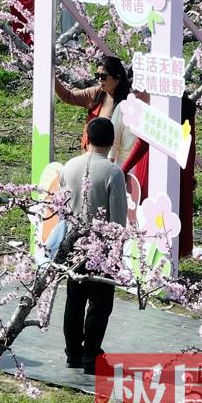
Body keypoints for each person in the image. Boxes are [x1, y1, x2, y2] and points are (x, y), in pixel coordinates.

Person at [60, 117, 127, 375]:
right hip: (102, 248)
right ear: (112, 142)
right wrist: (117, 251)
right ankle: (91, 357)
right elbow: (118, 220)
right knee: (100, 305)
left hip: (73, 243)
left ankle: (73, 354)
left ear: (86, 138)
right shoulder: (113, 172)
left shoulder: (69, 167)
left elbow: (62, 208)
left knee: (74, 301)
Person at [121, 96, 196, 258]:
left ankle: (151, 255)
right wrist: (190, 172)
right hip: (179, 165)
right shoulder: (186, 104)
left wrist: (123, 169)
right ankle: (170, 254)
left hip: (152, 164)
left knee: (149, 210)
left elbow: (142, 143)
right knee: (173, 211)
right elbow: (191, 142)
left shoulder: (158, 102)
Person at [55, 55, 132, 151]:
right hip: (89, 154)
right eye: (97, 76)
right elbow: (68, 96)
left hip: (111, 156)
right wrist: (52, 76)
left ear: (117, 79)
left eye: (103, 77)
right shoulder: (96, 93)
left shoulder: (129, 103)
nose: (99, 80)